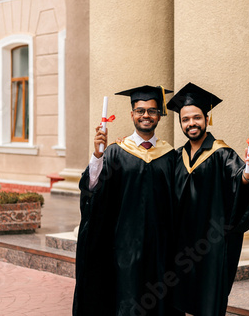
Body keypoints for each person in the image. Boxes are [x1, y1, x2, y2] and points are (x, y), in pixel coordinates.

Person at [73, 85, 183, 316]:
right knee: (128, 298)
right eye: (140, 110)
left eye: (152, 111)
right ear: (132, 114)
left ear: (160, 115)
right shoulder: (114, 152)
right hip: (124, 244)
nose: (146, 115)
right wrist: (97, 155)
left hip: (160, 246)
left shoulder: (171, 156)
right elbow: (92, 188)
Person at [166, 82, 249, 316]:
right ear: (180, 123)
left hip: (210, 246)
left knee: (208, 301)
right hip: (180, 244)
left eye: (196, 118)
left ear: (207, 119)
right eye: (185, 119)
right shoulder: (175, 157)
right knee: (176, 298)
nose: (191, 124)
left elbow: (240, 179)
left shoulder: (223, 154)